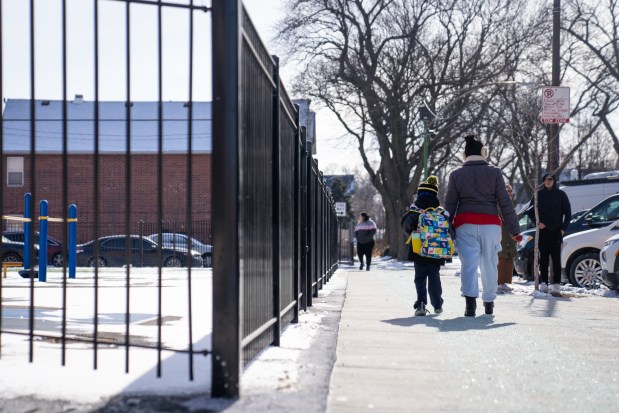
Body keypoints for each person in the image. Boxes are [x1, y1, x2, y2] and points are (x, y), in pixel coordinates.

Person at [445, 134, 521, 317]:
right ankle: (488, 303)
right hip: (490, 224)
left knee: (469, 264)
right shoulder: (494, 172)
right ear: (483, 153)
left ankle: (470, 305)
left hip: (465, 224)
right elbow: (505, 203)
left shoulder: (456, 175)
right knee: (489, 263)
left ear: (465, 155)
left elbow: (450, 205)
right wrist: (515, 230)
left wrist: (447, 228)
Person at [401, 176, 446, 316]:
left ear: (419, 194)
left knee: (420, 277)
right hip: (436, 250)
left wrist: (414, 232)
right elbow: (450, 229)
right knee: (434, 276)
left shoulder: (415, 211)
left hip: (418, 249)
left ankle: (421, 304)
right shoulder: (440, 211)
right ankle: (437, 304)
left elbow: (405, 226)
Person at [525, 173, 571, 294]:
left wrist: (563, 229)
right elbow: (529, 211)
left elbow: (568, 213)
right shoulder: (538, 194)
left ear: (554, 181)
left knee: (556, 259)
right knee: (543, 258)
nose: (548, 181)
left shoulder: (561, 194)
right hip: (543, 231)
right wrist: (537, 222)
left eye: (550, 179)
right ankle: (544, 283)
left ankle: (556, 283)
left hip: (557, 231)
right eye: (545, 179)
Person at [497, 184, 517, 292]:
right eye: (507, 191)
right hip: (503, 234)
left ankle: (503, 282)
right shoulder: (501, 204)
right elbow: (506, 219)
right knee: (504, 257)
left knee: (508, 258)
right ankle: (500, 282)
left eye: (510, 191)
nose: (509, 193)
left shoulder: (510, 204)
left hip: (509, 234)